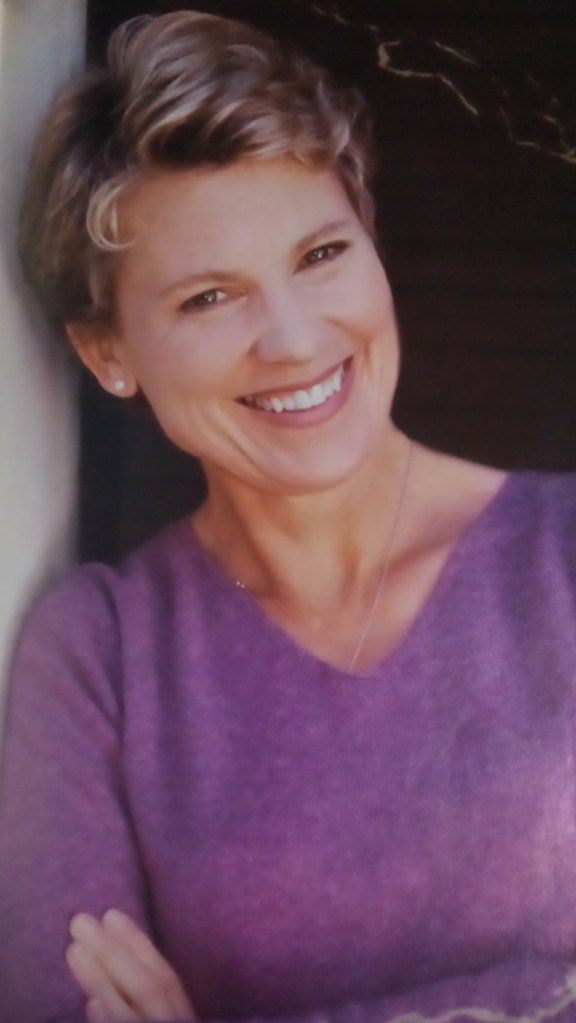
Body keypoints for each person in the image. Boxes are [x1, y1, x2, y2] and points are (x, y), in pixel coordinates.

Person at [1, 9, 576, 1023]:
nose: (297, 339)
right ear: (108, 353)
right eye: (209, 298)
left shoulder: (564, 556)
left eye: (319, 254)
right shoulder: (101, 654)